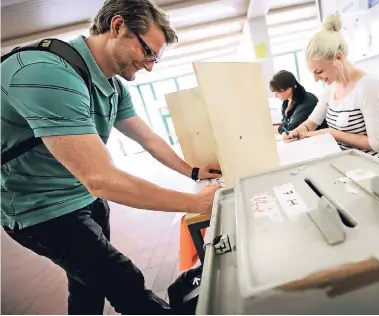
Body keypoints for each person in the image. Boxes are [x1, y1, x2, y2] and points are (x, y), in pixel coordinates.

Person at [1, 0, 221, 314]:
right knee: (123, 280)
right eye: (148, 52)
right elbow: (102, 179)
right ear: (118, 27)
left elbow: (147, 138)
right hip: (40, 209)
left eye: (155, 58)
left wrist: (193, 172)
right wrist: (193, 204)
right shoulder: (46, 73)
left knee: (87, 285)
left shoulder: (112, 85)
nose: (149, 65)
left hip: (82, 195)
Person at [284, 13, 379, 163]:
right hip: (349, 164)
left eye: (319, 71)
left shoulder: (368, 85)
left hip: (376, 166)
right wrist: (296, 132)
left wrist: (331, 133)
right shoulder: (330, 90)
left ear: (339, 57)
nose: (316, 79)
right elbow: (312, 122)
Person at [269, 70, 327, 134]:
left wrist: (276, 129)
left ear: (289, 90)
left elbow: (292, 127)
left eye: (277, 92)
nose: (275, 96)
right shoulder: (286, 102)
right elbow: (285, 124)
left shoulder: (307, 100)